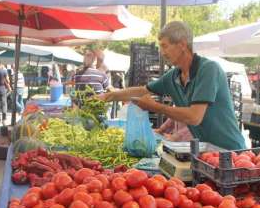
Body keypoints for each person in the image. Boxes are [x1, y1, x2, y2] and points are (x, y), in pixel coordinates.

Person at [101, 21, 245, 151]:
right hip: (205, 150)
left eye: (165, 46)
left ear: (182, 44)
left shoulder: (208, 69)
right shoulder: (173, 76)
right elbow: (142, 90)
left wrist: (155, 107)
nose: (162, 52)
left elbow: (194, 117)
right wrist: (108, 96)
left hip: (230, 151)